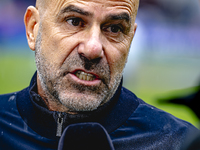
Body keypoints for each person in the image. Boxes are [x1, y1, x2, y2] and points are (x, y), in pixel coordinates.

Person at [0, 0, 198, 149]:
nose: (93, 48)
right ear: (33, 29)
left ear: (130, 40)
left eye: (114, 28)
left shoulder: (178, 143)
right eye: (74, 21)